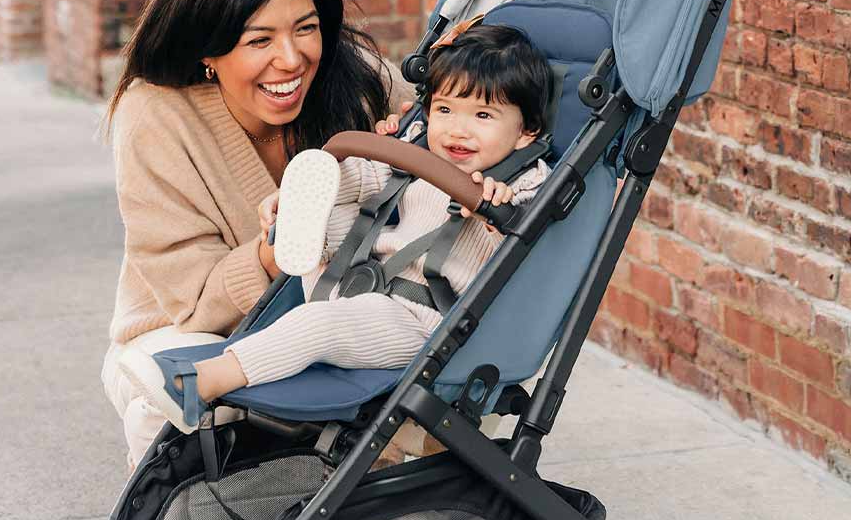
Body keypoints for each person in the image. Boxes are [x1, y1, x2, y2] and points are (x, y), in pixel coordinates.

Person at [133, 22, 554, 432]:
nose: (457, 130)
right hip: (359, 282)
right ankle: (299, 214)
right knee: (350, 186)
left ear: (526, 131)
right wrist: (317, 186)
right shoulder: (423, 148)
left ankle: (200, 384)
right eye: (444, 110)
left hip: (424, 320)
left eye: (482, 115)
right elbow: (371, 180)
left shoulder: (523, 184)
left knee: (316, 326)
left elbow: (532, 251)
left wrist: (499, 212)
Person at [101, 0, 395, 469]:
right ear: (207, 48)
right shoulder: (155, 115)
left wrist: (434, 132)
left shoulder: (356, 81)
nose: (291, 59)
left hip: (331, 324)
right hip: (185, 331)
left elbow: (454, 131)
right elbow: (192, 302)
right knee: (167, 402)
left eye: (306, 28)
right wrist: (271, 254)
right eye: (259, 39)